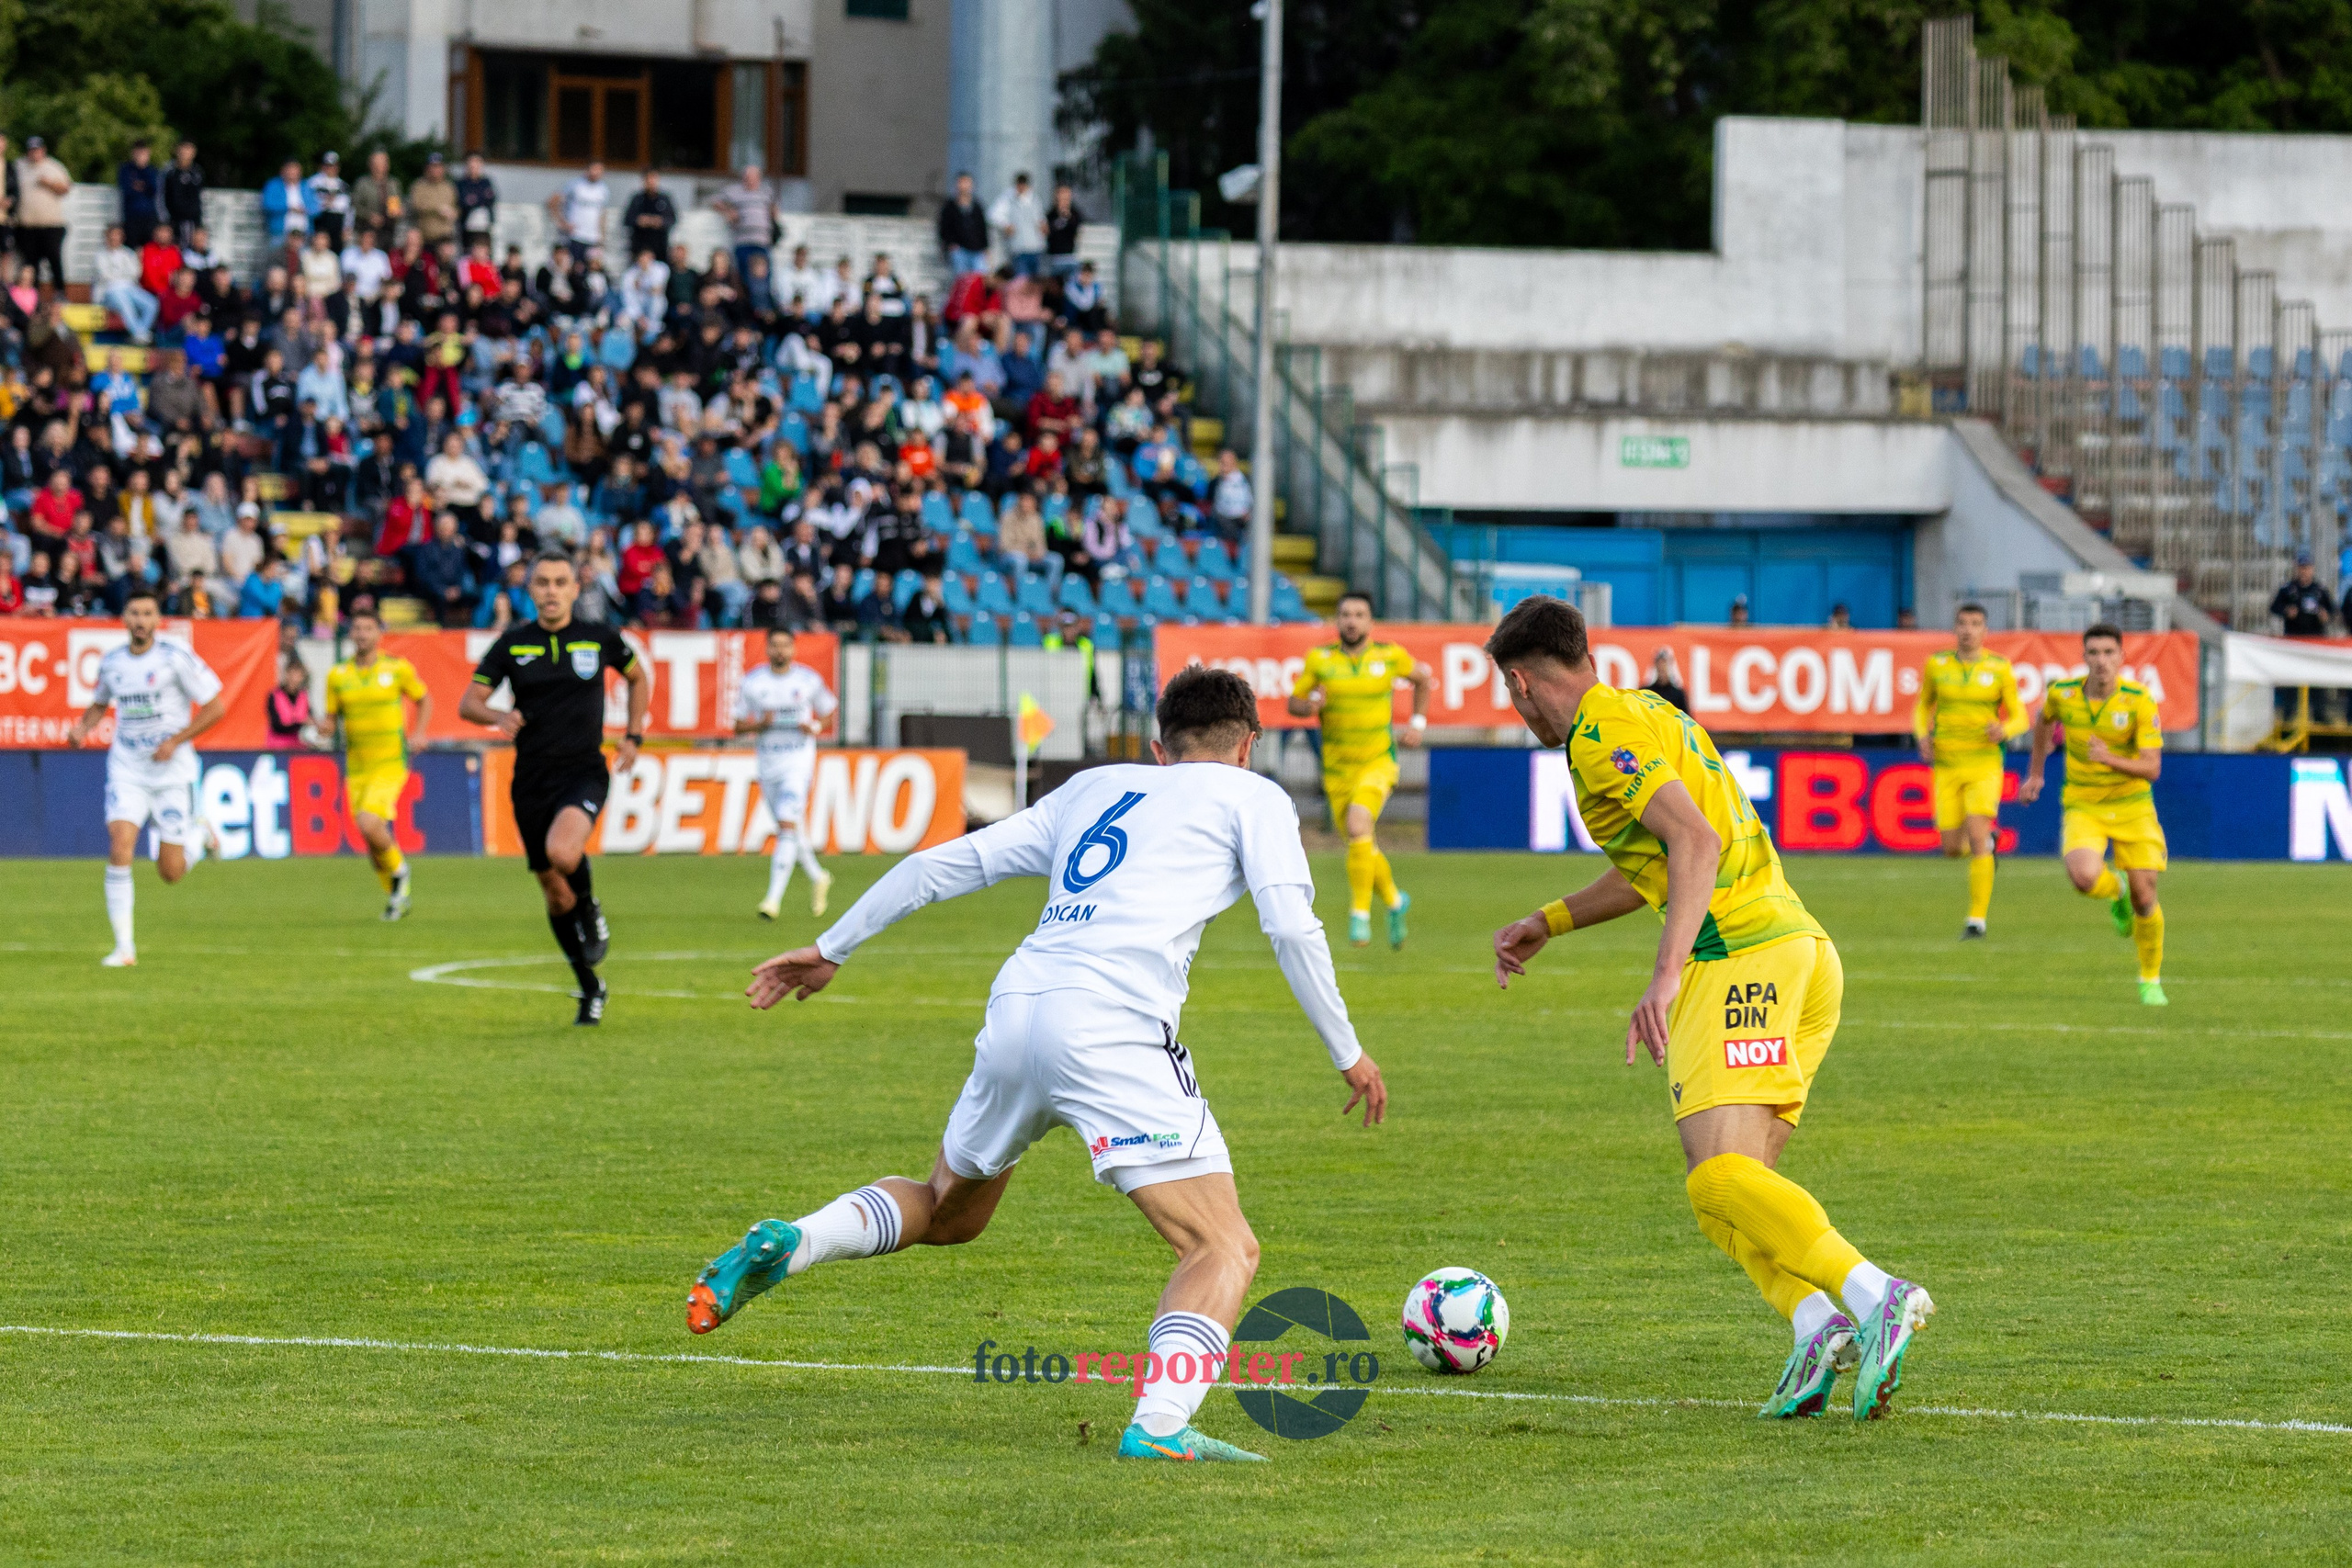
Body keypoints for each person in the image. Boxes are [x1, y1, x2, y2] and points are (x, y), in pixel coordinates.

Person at [688, 666, 1385, 1464]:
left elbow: (941, 865)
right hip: (1114, 1025)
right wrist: (1348, 1051)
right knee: (1222, 1247)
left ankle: (797, 1239)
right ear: (1249, 743)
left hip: (1019, 1003)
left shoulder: (1093, 786)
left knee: (950, 1209)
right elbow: (1292, 928)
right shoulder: (1252, 796)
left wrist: (831, 946)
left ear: (1160, 748)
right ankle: (1159, 1426)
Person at [1482, 595, 1933, 1422]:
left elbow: (1696, 843)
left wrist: (1666, 973)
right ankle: (1815, 1324)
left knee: (1721, 1178)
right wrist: (1550, 920)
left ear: (1519, 680)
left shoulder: (1599, 735)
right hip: (1801, 953)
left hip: (1739, 962)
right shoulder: (1646, 709)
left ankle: (1874, 1296)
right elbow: (1657, 859)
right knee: (1726, 1187)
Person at [458, 551, 651, 1025]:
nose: (550, 590)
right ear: (531, 590)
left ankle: (592, 910)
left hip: (583, 769)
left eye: (559, 582)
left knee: (564, 854)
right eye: (542, 582)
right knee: (553, 892)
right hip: (531, 781)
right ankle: (590, 986)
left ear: (574, 589)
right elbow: (470, 702)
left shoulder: (599, 637)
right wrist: (498, 716)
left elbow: (638, 676)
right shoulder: (513, 644)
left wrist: (633, 735)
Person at [65, 589, 227, 967]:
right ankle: (124, 949)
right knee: (120, 845)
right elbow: (100, 704)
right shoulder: (112, 663)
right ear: (124, 618)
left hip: (173, 773)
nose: (140, 620)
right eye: (134, 613)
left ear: (158, 620)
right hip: (128, 769)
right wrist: (82, 728)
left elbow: (215, 706)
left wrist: (175, 740)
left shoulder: (175, 658)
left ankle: (199, 839)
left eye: (148, 614)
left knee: (170, 872)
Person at [2020, 624, 2169, 1005]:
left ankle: (2149, 978)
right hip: (2084, 803)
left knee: (2146, 897)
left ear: (2122, 657)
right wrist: (2035, 774)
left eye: (2108, 653)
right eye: (2093, 653)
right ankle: (2114, 889)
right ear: (2083, 658)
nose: (2101, 661)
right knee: (2085, 877)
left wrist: (2108, 758)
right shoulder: (2064, 695)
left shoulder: (2139, 700)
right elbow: (2043, 723)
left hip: (2133, 805)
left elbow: (2152, 769)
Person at [1287, 592, 1433, 949]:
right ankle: (1396, 902)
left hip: (1378, 762)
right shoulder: (1320, 660)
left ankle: (1360, 915)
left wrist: (1417, 722)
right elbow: (1294, 703)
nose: (1351, 620)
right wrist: (1310, 706)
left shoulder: (1389, 655)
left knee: (1357, 826)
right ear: (1337, 621)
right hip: (1337, 770)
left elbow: (1423, 679)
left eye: (1359, 614)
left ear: (1370, 622)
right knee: (1361, 842)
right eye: (1345, 614)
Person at [1913, 603, 2026, 940]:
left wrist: (2004, 730)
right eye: (1962, 623)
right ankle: (1989, 844)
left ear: (1985, 631)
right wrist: (1922, 736)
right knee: (1951, 848)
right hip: (1946, 765)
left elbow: (2020, 715)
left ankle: (1976, 920)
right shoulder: (1937, 665)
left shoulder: (1999, 668)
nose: (1968, 630)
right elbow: (1922, 706)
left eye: (1975, 624)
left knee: (1976, 837)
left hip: (1984, 764)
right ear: (1955, 628)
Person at [322, 606, 433, 920]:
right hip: (356, 767)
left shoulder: (397, 669)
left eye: (368, 628)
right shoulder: (337, 675)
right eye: (356, 629)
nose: (361, 634)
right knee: (372, 844)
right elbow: (331, 723)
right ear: (350, 634)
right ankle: (397, 899)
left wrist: (420, 733)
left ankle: (401, 873)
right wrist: (318, 728)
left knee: (369, 824)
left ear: (379, 634)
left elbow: (424, 698)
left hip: (390, 762)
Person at [734, 626, 839, 920]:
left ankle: (772, 900)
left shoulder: (807, 680)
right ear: (767, 649)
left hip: (798, 762)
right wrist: (759, 725)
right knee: (788, 829)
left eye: (785, 645)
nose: (780, 651)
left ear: (793, 649)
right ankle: (818, 876)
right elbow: (738, 725)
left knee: (787, 822)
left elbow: (828, 710)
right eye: (775, 645)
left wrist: (816, 727)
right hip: (769, 765)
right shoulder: (753, 683)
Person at [2268, 552, 2339, 725]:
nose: (2304, 571)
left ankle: (2319, 715)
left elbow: (2333, 610)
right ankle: (2288, 715)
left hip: (2316, 643)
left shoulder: (2320, 589)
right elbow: (2274, 607)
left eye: (2307, 568)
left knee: (2317, 680)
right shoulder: (2288, 589)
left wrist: (2326, 615)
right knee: (2292, 680)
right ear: (2297, 568)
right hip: (2294, 642)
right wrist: (2286, 611)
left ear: (2312, 569)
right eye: (2301, 568)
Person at [15, 138, 73, 287]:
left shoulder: (53, 166)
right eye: (31, 150)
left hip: (51, 224)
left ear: (43, 150)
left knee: (54, 259)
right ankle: (33, 297)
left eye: (37, 150)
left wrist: (50, 184)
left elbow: (66, 188)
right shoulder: (19, 166)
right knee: (30, 263)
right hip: (27, 225)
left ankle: (59, 292)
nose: (34, 153)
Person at [988, 172, 1045, 278]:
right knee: (1021, 282)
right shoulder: (1008, 198)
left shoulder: (1035, 200)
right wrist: (1006, 225)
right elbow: (993, 215)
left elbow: (1041, 220)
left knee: (1035, 283)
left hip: (1035, 248)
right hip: (1018, 249)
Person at [937, 172, 990, 276]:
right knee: (962, 280)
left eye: (967, 183)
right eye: (962, 183)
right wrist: (950, 244)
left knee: (981, 279)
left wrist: (986, 248)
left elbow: (982, 228)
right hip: (959, 250)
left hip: (977, 250)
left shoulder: (977, 206)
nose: (964, 186)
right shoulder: (949, 206)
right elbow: (944, 227)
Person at [622, 170, 675, 260]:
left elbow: (672, 219)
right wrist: (639, 221)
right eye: (648, 179)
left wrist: (660, 221)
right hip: (640, 245)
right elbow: (627, 219)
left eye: (654, 179)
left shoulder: (664, 199)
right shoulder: (637, 199)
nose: (651, 182)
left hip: (659, 246)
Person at [164, 141, 206, 243]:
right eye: (183, 148)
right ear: (177, 150)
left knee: (191, 252)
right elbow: (161, 196)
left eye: (189, 149)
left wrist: (199, 222)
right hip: (173, 221)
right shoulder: (169, 171)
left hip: (193, 221)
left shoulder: (197, 172)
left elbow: (200, 198)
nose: (185, 152)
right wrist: (164, 220)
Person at [1644, 647, 1688, 712]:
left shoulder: (1678, 694)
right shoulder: (1646, 692)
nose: (1661, 667)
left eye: (1664, 664)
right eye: (1659, 664)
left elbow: (1686, 718)